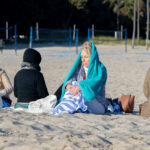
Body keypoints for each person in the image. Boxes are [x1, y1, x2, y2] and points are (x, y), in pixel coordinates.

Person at [54, 41, 107, 114]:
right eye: (82, 57)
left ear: (92, 57)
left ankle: (67, 108)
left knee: (81, 91)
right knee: (72, 85)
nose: (83, 60)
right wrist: (68, 86)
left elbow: (93, 84)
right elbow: (71, 79)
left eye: (86, 57)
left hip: (97, 104)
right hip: (80, 98)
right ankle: (64, 108)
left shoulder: (100, 69)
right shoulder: (80, 68)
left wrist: (78, 88)